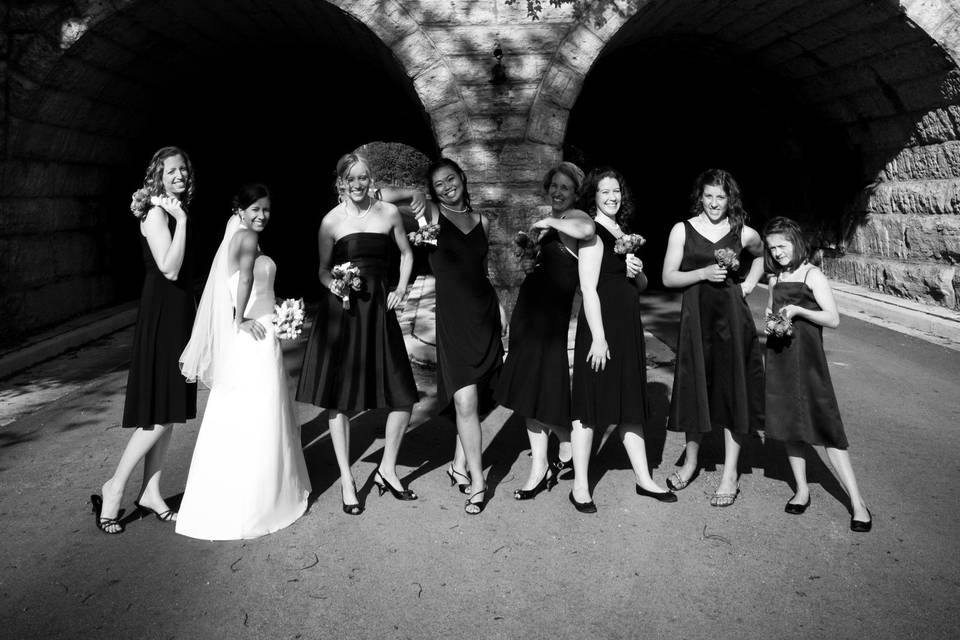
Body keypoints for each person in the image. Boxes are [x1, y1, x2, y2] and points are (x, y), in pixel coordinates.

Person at [175, 183, 311, 540]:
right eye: (256, 209)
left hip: (256, 328)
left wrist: (279, 310)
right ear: (241, 210)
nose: (262, 215)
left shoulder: (237, 237)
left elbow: (246, 282)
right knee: (265, 409)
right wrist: (240, 320)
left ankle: (229, 491)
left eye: (266, 210)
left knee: (241, 410)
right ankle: (264, 499)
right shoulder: (247, 238)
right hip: (255, 336)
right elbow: (247, 277)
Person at [296, 153, 419, 516]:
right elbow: (321, 270)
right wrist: (334, 286)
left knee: (403, 395)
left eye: (364, 177)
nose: (359, 183)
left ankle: (388, 469)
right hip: (344, 314)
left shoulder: (388, 214)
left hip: (379, 311)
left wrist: (401, 287)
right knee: (340, 400)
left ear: (370, 179)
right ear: (341, 182)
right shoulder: (330, 222)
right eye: (352, 177)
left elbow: (406, 253)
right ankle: (348, 480)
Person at [91, 147, 197, 534]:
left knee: (168, 412)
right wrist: (182, 220)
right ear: (158, 176)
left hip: (177, 313)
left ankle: (151, 491)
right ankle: (115, 486)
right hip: (162, 315)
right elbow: (169, 268)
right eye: (172, 171)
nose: (180, 175)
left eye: (184, 169)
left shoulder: (168, 211)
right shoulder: (157, 214)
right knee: (158, 415)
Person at [569, 167, 675, 513]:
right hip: (601, 330)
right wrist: (598, 339)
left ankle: (644, 479)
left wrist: (637, 271)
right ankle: (581, 487)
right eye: (605, 192)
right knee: (589, 407)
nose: (613, 197)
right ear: (593, 198)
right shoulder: (592, 232)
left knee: (630, 402)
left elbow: (638, 286)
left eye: (616, 191)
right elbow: (588, 288)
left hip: (627, 327)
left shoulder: (622, 231)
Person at [662, 169, 765, 507]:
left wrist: (748, 284)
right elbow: (668, 277)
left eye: (720, 197)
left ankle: (730, 474)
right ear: (700, 197)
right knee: (696, 388)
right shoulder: (683, 229)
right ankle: (691, 462)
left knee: (732, 387)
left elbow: (763, 254)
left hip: (732, 319)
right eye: (708, 196)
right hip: (696, 318)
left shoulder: (742, 232)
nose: (714, 203)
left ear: (729, 198)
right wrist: (702, 273)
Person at [762, 217, 871, 532]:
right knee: (789, 427)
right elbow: (771, 312)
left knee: (827, 430)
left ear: (795, 241)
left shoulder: (812, 274)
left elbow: (833, 318)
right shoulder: (775, 279)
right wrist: (771, 321)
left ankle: (857, 502)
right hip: (780, 358)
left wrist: (799, 311)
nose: (778, 252)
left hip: (808, 362)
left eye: (782, 245)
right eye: (773, 248)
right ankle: (802, 489)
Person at [494, 162, 594, 500]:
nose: (558, 192)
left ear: (576, 193)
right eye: (554, 186)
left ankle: (560, 443)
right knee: (528, 387)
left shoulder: (575, 218)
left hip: (550, 320)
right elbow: (538, 267)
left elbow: (588, 231)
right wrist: (528, 259)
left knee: (538, 386)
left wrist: (548, 220)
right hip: (528, 313)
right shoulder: (551, 226)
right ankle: (542, 463)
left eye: (565, 187)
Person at [421, 157, 506, 515]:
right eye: (438, 183)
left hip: (484, 315)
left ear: (463, 179)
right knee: (465, 401)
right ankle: (479, 481)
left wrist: (500, 307)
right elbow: (398, 196)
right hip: (453, 322)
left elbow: (482, 272)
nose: (446, 186)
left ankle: (460, 465)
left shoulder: (483, 221)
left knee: (480, 396)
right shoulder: (432, 216)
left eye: (451, 179)